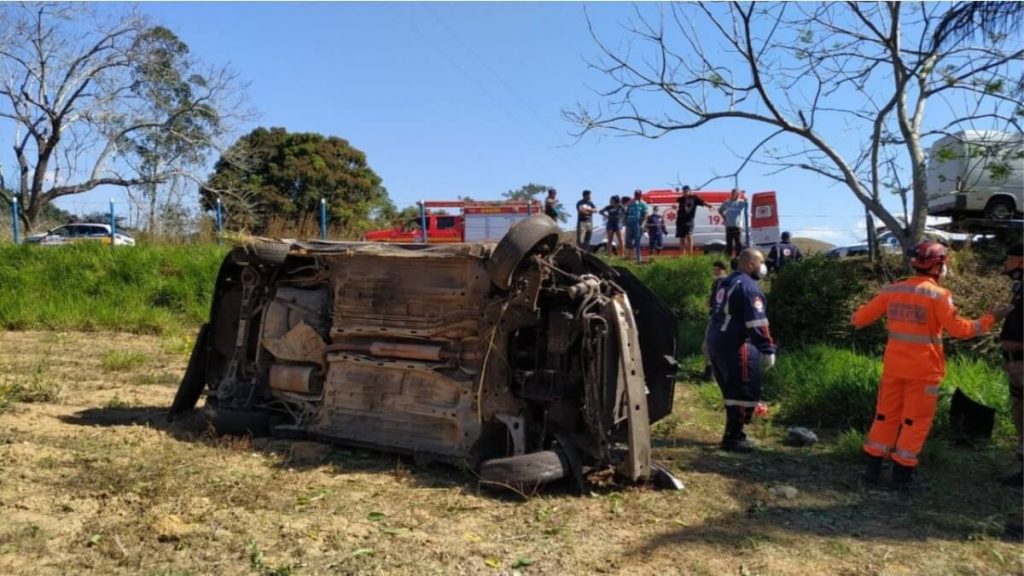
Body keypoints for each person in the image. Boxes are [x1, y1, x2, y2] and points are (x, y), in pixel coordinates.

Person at [852, 241, 1011, 489]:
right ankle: (902, 477)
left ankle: (872, 471)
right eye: (944, 264)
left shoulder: (892, 290)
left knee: (885, 416)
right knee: (915, 421)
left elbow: (859, 319)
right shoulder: (939, 295)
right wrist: (992, 318)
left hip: (894, 368)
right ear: (937, 266)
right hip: (924, 371)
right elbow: (960, 330)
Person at [707, 248, 776, 452]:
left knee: (730, 389)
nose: (763, 266)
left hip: (717, 341)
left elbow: (713, 313)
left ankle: (735, 434)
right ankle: (733, 438)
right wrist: (767, 348)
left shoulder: (725, 282)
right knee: (743, 390)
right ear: (750, 264)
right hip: (737, 343)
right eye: (761, 262)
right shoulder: (749, 287)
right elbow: (757, 322)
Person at [999, 243, 1023, 487]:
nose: (1006, 264)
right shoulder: (1018, 287)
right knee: (1020, 417)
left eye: (1010, 259)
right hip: (1014, 364)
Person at [702, 260, 730, 380]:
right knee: (708, 346)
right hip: (715, 316)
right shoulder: (717, 282)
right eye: (715, 269)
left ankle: (711, 373)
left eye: (718, 270)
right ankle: (711, 372)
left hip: (720, 319)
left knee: (708, 345)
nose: (716, 272)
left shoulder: (725, 282)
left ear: (724, 270)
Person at [675, 185, 707, 255]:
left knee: (689, 236)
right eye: (683, 192)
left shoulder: (694, 198)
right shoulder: (680, 199)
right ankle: (682, 255)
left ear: (689, 191)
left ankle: (690, 254)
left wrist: (709, 206)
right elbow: (676, 204)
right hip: (680, 221)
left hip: (689, 220)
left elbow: (703, 202)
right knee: (682, 238)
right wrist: (674, 206)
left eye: (686, 191)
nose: (685, 193)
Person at [718, 188, 747, 258]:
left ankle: (738, 257)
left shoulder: (740, 202)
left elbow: (746, 202)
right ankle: (729, 257)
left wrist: (744, 195)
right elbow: (720, 210)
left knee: (738, 243)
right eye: (734, 193)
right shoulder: (727, 202)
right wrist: (724, 217)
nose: (736, 195)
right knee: (729, 244)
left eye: (737, 194)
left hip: (737, 227)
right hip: (729, 226)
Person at [624, 189, 649, 255]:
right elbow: (625, 210)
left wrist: (643, 224)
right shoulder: (630, 202)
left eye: (638, 195)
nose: (636, 196)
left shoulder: (643, 204)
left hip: (638, 224)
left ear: (640, 195)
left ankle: (637, 256)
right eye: (635, 194)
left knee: (637, 240)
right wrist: (625, 222)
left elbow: (646, 214)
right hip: (629, 224)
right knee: (628, 241)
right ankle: (629, 256)